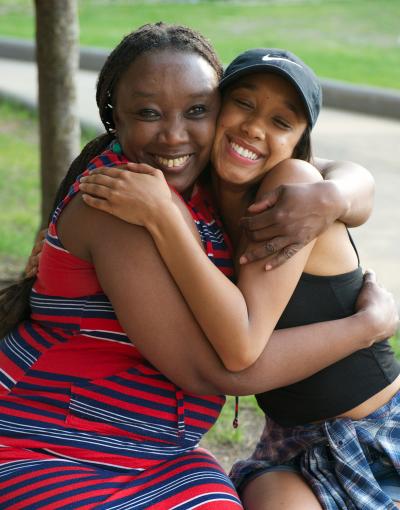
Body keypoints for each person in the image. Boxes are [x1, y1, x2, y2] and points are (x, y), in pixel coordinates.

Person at [0, 23, 397, 509]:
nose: (173, 134)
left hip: (165, 453)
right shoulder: (132, 198)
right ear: (114, 118)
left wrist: (335, 193)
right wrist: (366, 326)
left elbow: (340, 176)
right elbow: (216, 369)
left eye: (195, 111)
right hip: (57, 443)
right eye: (148, 113)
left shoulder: (244, 185)